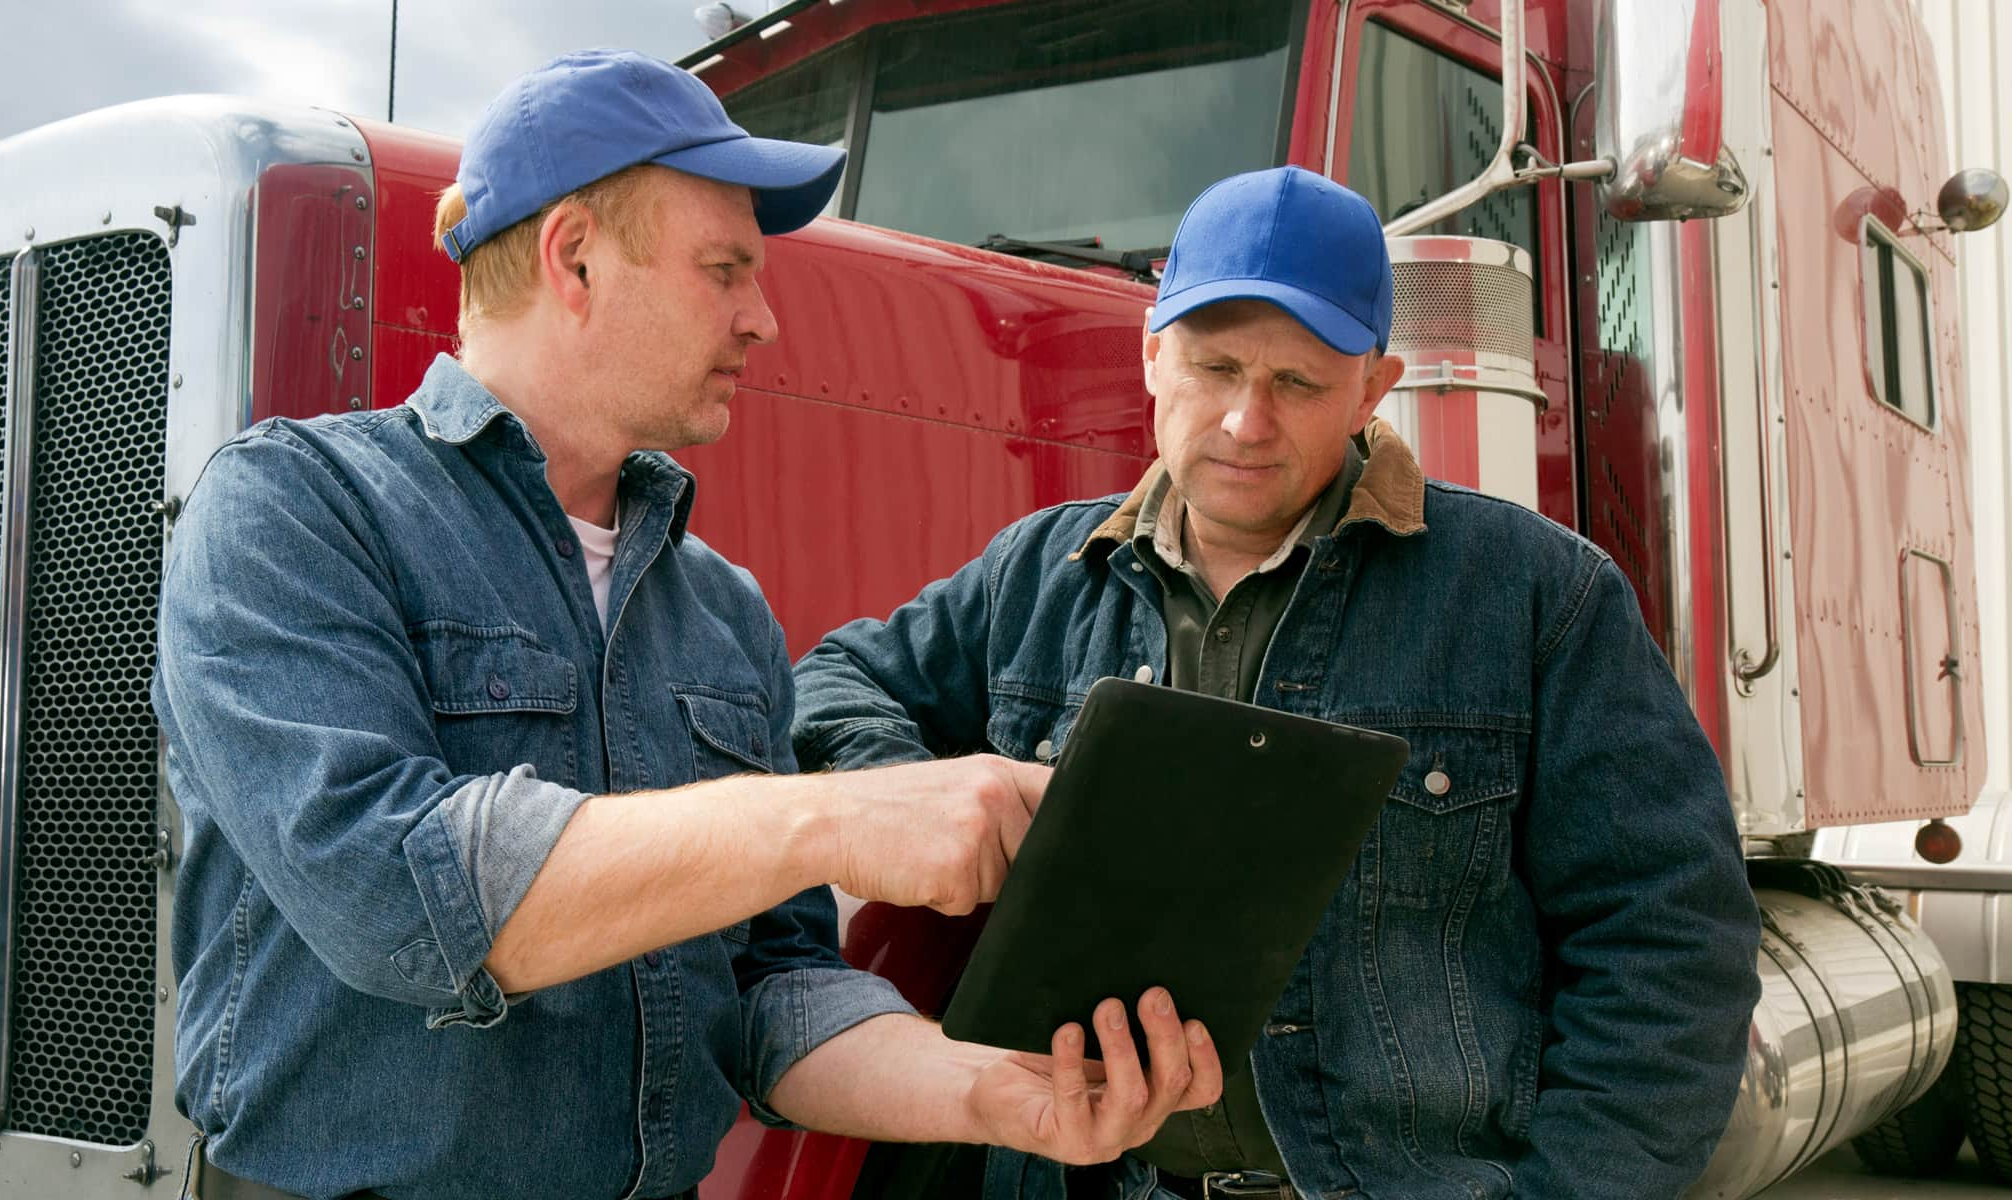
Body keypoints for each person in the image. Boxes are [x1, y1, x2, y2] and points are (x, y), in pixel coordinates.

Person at [151, 49, 1223, 1200]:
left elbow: (773, 988)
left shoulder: (723, 610)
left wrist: (990, 1093)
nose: (763, 320)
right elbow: (396, 895)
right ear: (574, 259)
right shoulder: (293, 510)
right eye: (726, 270)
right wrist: (829, 814)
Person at [792, 166, 1761, 1200]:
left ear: (1373, 388)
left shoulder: (1535, 595)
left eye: (1297, 382)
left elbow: (1670, 947)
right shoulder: (1036, 575)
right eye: (1215, 368)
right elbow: (828, 681)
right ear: (1155, 356)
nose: (1248, 422)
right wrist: (925, 796)